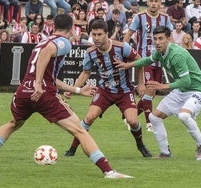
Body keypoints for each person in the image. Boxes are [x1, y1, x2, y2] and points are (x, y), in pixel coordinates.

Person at [0, 14, 132, 179]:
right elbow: (46, 53)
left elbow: (50, 76)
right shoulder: (63, 42)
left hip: (23, 92)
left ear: (54, 26)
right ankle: (109, 171)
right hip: (43, 94)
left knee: (13, 123)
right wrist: (38, 84)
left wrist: (78, 90)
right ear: (71, 28)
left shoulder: (42, 41)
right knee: (80, 130)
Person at [115, 26, 201, 160]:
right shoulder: (160, 52)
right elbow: (147, 60)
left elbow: (187, 81)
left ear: (169, 39)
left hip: (199, 91)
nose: (157, 42)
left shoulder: (176, 55)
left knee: (183, 115)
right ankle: (165, 153)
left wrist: (162, 86)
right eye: (155, 39)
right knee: (154, 118)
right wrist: (128, 65)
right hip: (182, 91)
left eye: (161, 39)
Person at [64, 19, 152, 158]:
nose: (96, 38)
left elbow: (140, 60)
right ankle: (72, 149)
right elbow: (86, 72)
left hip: (124, 91)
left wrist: (141, 83)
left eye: (100, 34)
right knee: (89, 117)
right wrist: (74, 88)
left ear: (107, 34)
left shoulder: (122, 47)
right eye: (94, 35)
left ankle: (140, 145)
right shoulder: (91, 52)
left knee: (133, 121)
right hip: (104, 91)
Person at [123, 0, 173, 132]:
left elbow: (170, 38)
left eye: (156, 1)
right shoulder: (139, 17)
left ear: (160, 2)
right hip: (144, 60)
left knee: (152, 93)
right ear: (147, 2)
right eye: (151, 1)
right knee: (149, 89)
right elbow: (129, 34)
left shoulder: (165, 18)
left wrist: (173, 53)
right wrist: (121, 50)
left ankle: (129, 115)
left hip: (159, 61)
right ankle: (149, 123)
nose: (153, 4)